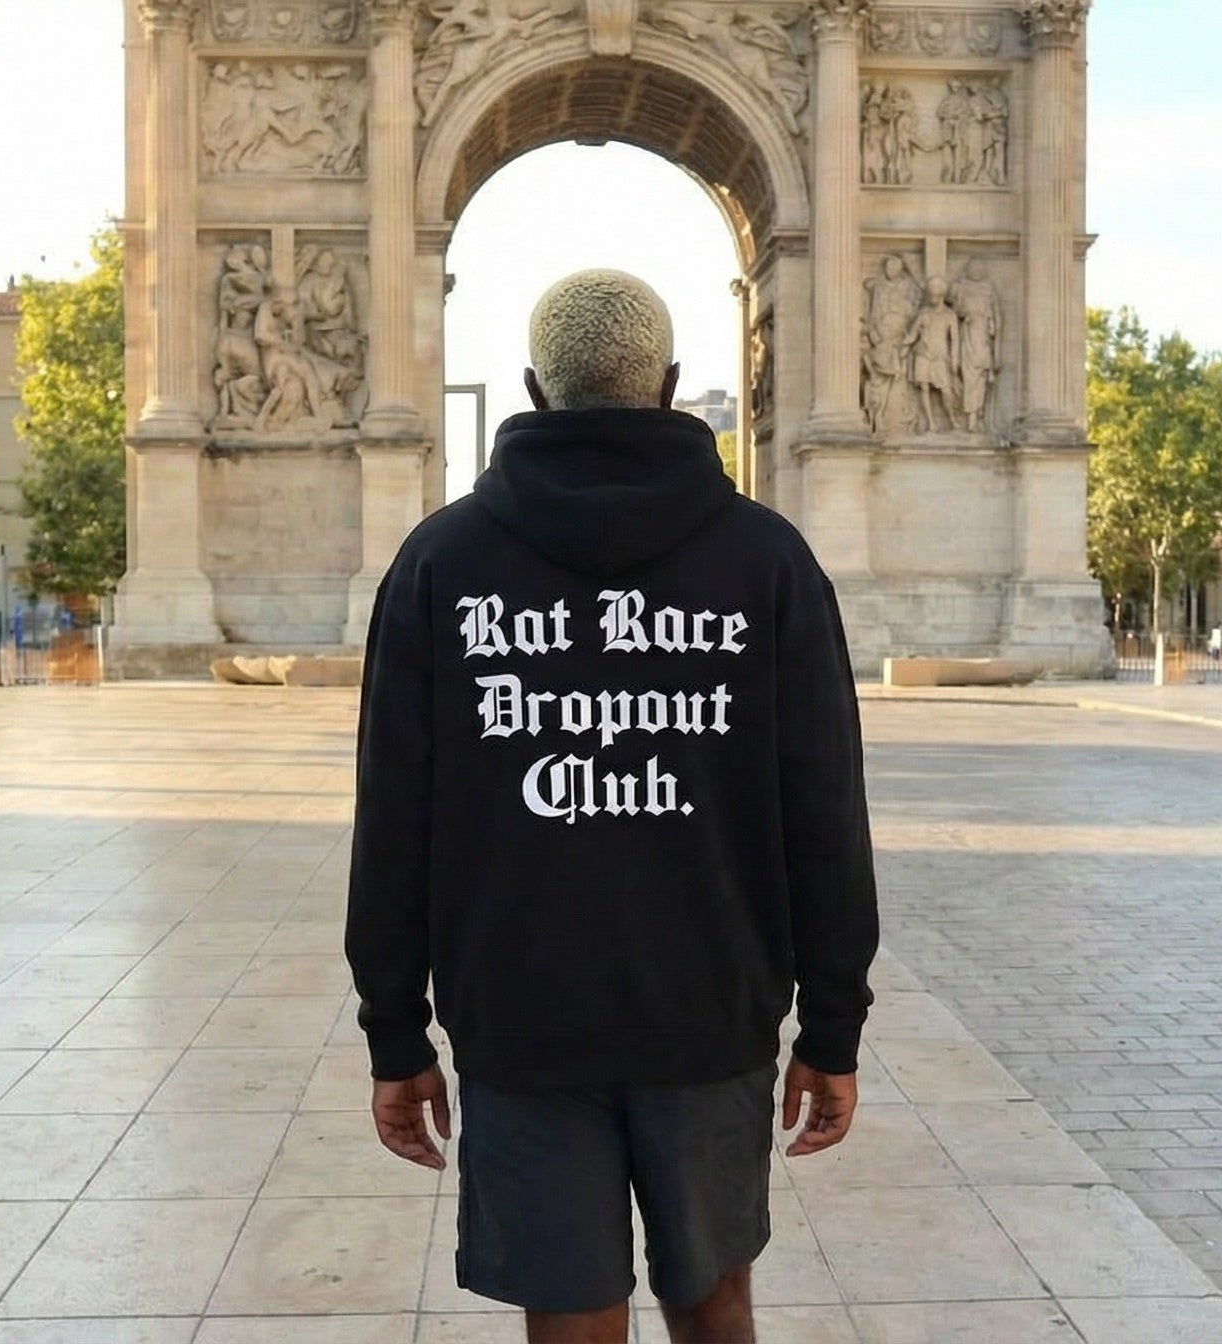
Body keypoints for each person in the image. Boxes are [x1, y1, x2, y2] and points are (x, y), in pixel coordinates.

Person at [348, 269, 879, 1343]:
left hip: (521, 1017)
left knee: (570, 1313)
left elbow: (395, 822)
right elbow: (824, 813)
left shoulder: (438, 563)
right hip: (712, 1012)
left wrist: (395, 1031)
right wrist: (833, 1024)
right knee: (715, 1300)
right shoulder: (770, 561)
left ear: (534, 391)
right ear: (671, 386)